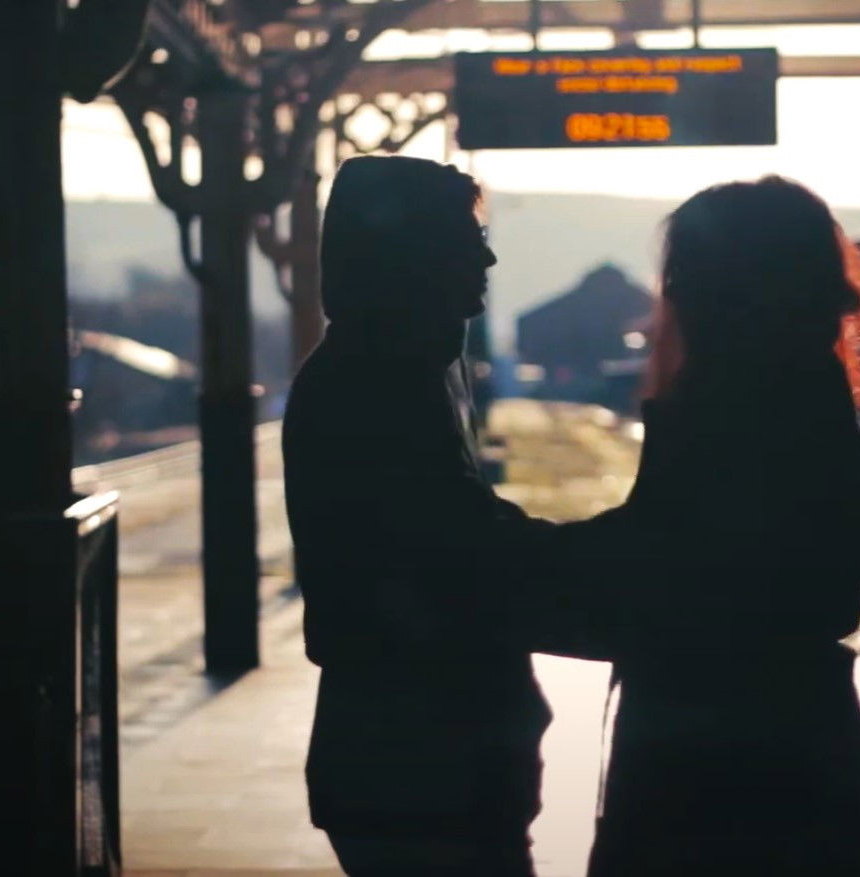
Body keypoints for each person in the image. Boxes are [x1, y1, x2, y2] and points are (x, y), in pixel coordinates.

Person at [525, 176, 860, 875]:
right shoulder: (803, 383)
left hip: (709, 751)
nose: (671, 296)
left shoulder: (730, 396)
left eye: (684, 274)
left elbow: (670, 555)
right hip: (796, 738)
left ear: (722, 286)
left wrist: (520, 557)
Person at [282, 155, 551, 876]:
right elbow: (461, 550)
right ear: (412, 256)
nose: (486, 258)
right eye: (467, 239)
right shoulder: (379, 385)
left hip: (409, 766)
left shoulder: (393, 370)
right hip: (423, 771)